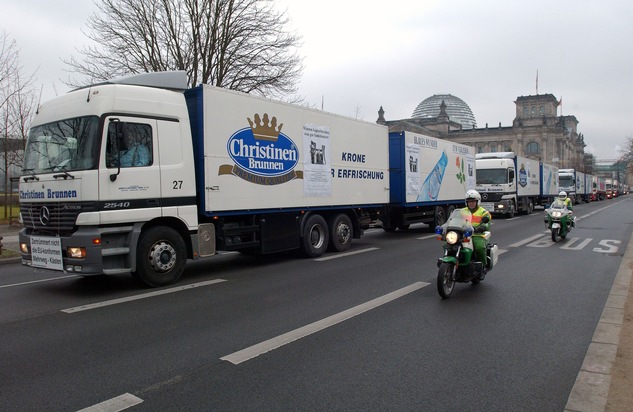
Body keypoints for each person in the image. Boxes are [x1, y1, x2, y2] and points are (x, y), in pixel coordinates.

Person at [462, 189, 492, 276]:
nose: (471, 203)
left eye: (473, 201)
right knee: (449, 244)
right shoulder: (462, 211)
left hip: (476, 234)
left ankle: (483, 266)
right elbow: (454, 220)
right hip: (463, 234)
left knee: (479, 247)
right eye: (469, 202)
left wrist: (482, 227)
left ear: (477, 202)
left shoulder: (483, 212)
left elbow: (487, 223)